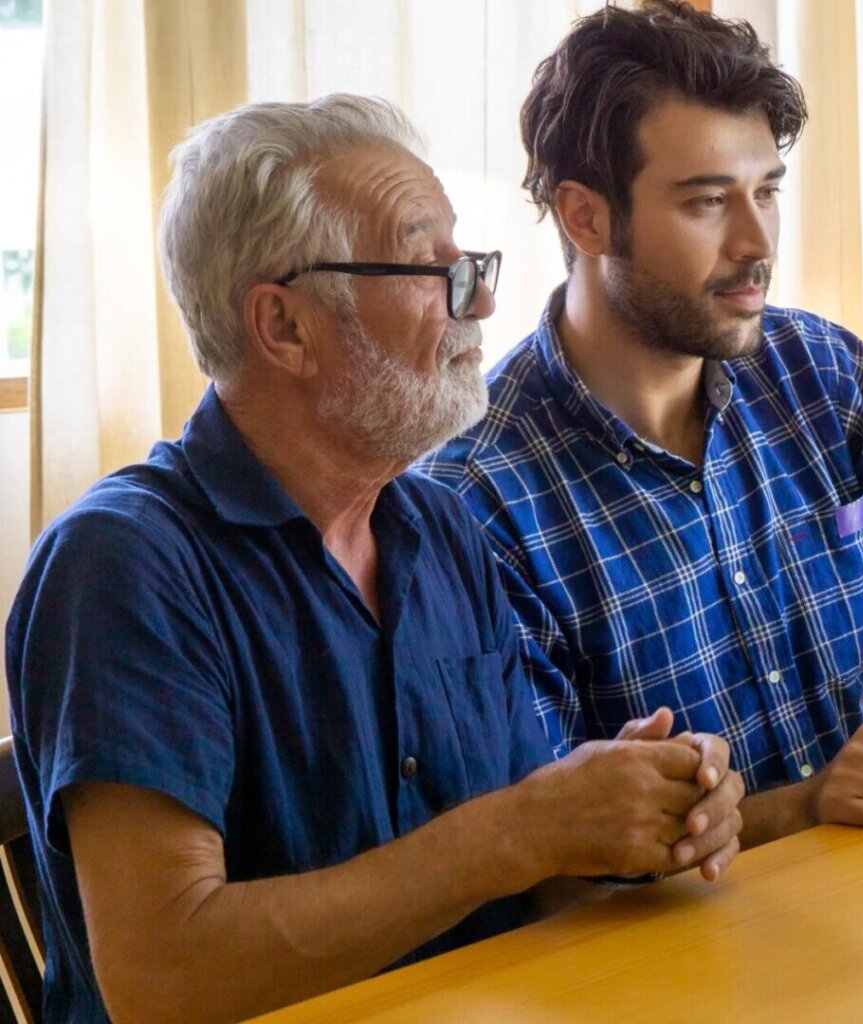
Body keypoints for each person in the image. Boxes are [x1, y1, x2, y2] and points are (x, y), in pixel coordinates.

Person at [4, 94, 745, 1024]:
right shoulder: (124, 564)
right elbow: (166, 975)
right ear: (284, 328)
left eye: (469, 264)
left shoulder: (441, 528)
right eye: (429, 269)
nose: (479, 301)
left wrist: (637, 819)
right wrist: (523, 832)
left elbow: (536, 879)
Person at [423, 0, 863, 850]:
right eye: (707, 203)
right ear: (585, 216)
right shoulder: (474, 502)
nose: (755, 243)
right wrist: (806, 804)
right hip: (658, 969)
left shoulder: (819, 374)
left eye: (766, 193)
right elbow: (540, 864)